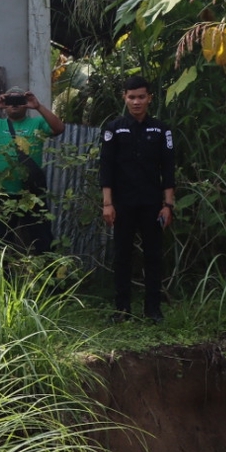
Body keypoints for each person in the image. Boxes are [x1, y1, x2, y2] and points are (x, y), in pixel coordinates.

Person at [98, 76, 177, 323]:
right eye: (131, 97)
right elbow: (106, 167)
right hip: (122, 204)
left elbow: (169, 169)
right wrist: (107, 203)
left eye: (141, 97)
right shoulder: (114, 128)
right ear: (125, 98)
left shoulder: (161, 130)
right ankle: (122, 310)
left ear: (149, 98)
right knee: (122, 256)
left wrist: (168, 205)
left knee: (153, 256)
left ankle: (152, 310)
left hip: (152, 204)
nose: (136, 102)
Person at [0, 85, 65, 254]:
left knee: (43, 242)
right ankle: (2, 277)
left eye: (19, 101)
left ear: (25, 103)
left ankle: (46, 277)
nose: (14, 104)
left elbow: (59, 128)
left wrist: (38, 106)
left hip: (32, 194)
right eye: (10, 101)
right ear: (5, 104)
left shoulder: (37, 123)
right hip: (3, 194)